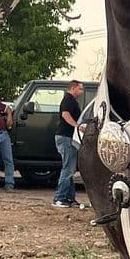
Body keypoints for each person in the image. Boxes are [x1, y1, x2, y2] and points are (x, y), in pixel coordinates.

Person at [53, 78, 85, 209]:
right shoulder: (68, 100)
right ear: (73, 88)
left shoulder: (72, 100)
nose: (82, 91)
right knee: (68, 168)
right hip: (65, 137)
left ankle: (69, 198)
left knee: (70, 168)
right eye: (80, 88)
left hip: (68, 137)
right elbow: (65, 115)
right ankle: (59, 198)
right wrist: (77, 126)